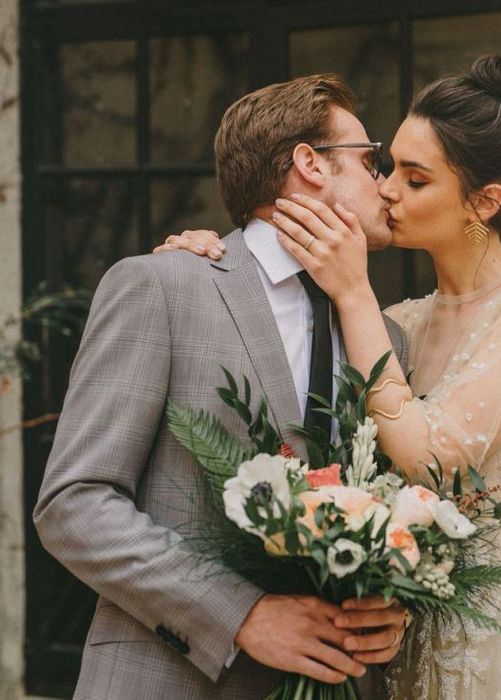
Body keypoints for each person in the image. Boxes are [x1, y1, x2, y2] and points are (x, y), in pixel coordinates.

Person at [168, 56, 501, 699]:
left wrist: (355, 294)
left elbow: (430, 464)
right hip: (408, 632)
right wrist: (210, 259)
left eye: (415, 179)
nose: (384, 190)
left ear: (484, 202)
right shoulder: (396, 326)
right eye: (386, 167)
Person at [33, 75, 407, 700]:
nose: (384, 183)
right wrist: (241, 614)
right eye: (370, 160)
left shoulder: (388, 335)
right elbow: (73, 503)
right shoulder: (163, 287)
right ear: (309, 163)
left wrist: (389, 605)